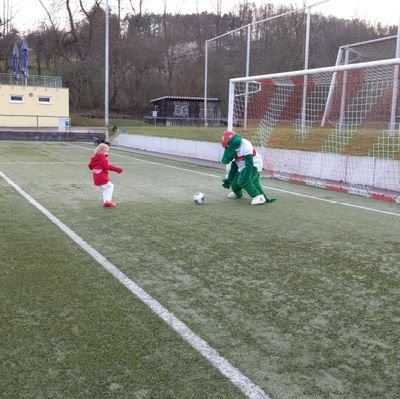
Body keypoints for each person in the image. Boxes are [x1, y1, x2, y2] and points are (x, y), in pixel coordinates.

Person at [220, 130, 276, 205]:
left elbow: (249, 164)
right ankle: (239, 193)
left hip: (254, 165)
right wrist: (229, 179)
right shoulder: (231, 149)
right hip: (241, 166)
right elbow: (234, 166)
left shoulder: (246, 145)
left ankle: (258, 197)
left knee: (243, 180)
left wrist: (246, 177)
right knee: (234, 184)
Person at [88, 143, 123, 208]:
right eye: (106, 151)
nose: (107, 152)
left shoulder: (95, 157)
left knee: (105, 189)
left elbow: (90, 166)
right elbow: (107, 166)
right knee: (110, 186)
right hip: (102, 178)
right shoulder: (102, 158)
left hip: (96, 178)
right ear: (103, 151)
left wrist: (96, 168)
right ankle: (108, 202)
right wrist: (117, 169)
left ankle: (106, 202)